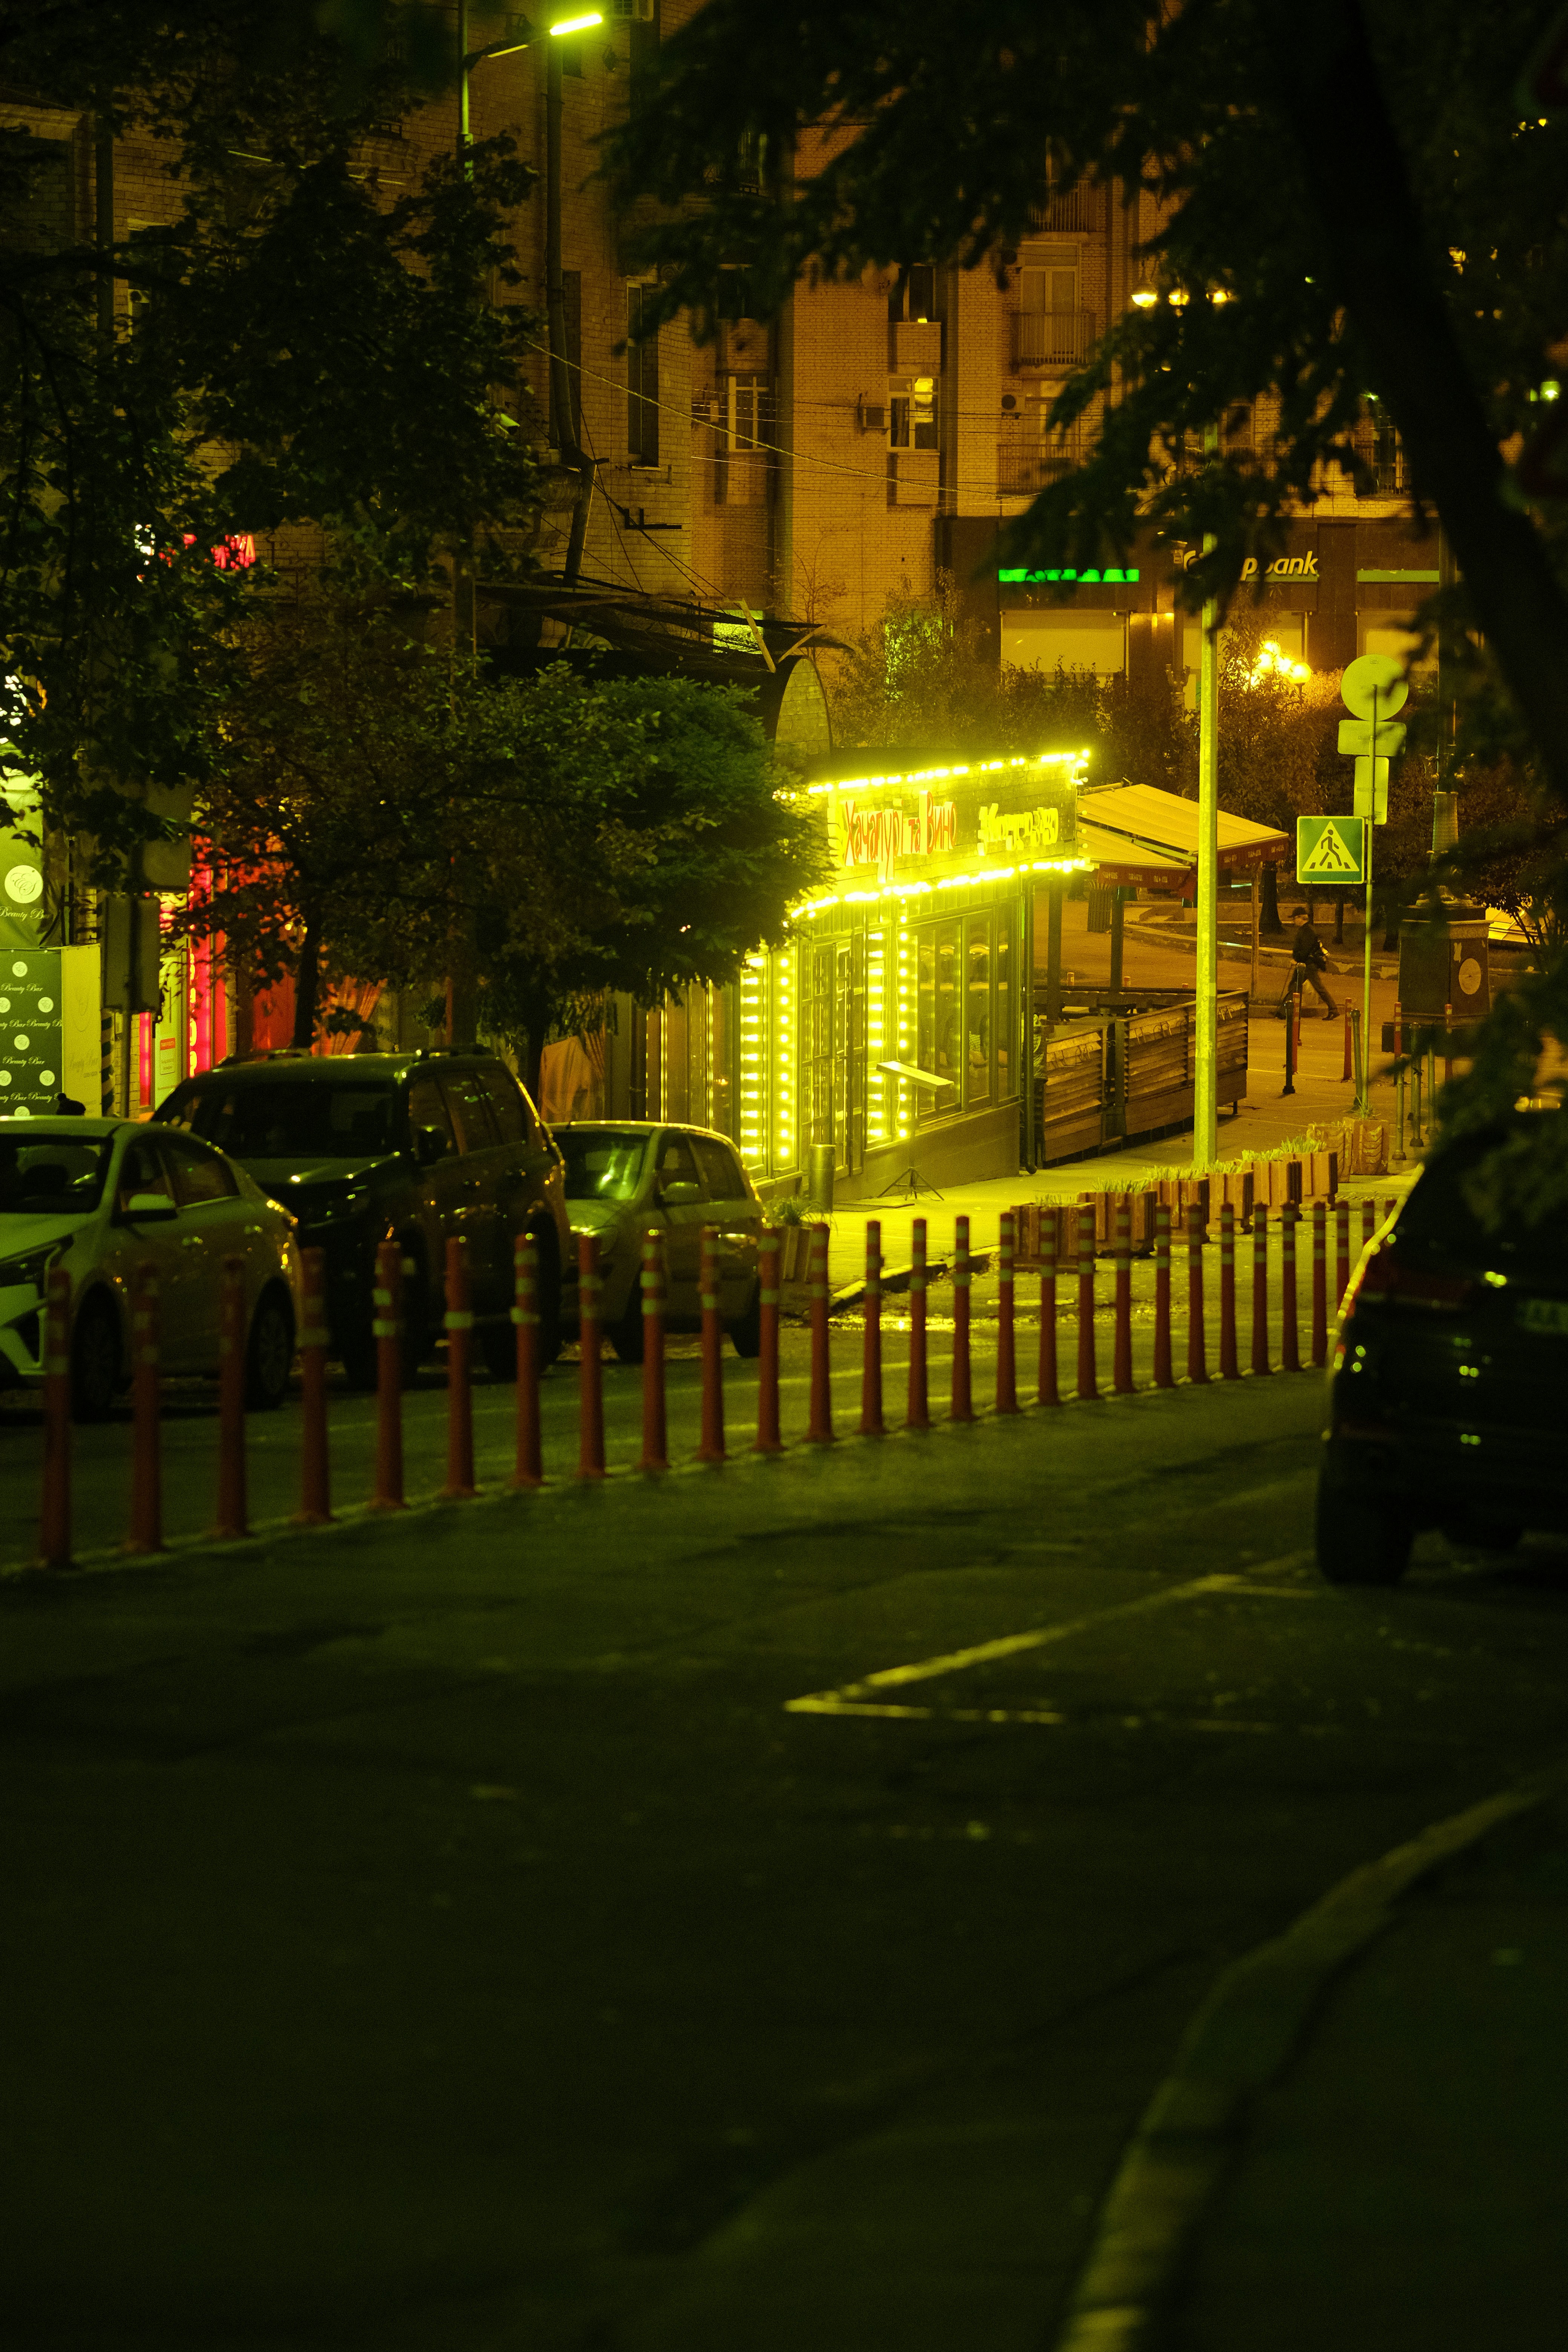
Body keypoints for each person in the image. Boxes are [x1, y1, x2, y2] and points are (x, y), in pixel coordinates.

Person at [1277, 906, 1338, 1018]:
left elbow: (1306, 949)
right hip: (1305, 964)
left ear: (1301, 918)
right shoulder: (1305, 930)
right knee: (1295, 986)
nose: (1294, 921)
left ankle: (1333, 1009)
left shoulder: (1308, 931)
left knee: (1316, 988)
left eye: (1295, 918)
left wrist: (1297, 959)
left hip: (1308, 965)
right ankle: (1284, 1012)